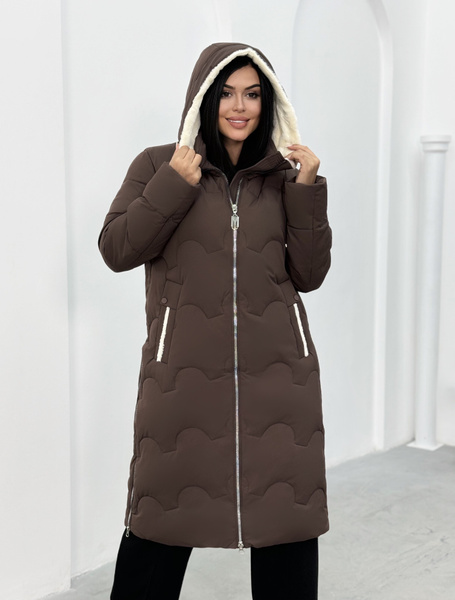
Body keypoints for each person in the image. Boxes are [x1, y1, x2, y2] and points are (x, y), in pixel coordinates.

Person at [99, 41, 332, 600]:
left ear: (268, 103)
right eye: (226, 93)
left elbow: (310, 274)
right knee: (159, 521)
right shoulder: (158, 164)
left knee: (286, 525)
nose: (239, 107)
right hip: (181, 380)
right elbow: (116, 249)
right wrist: (174, 184)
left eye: (252, 94)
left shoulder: (284, 176)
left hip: (280, 381)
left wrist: (306, 190)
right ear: (203, 98)